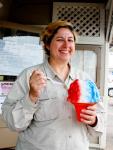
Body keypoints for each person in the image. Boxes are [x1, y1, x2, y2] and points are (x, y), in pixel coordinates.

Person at [2, 20, 105, 150]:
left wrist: (94, 120)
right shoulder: (29, 76)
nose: (66, 44)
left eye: (70, 40)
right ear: (47, 45)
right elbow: (13, 124)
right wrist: (31, 96)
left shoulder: (84, 79)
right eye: (60, 39)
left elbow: (101, 118)